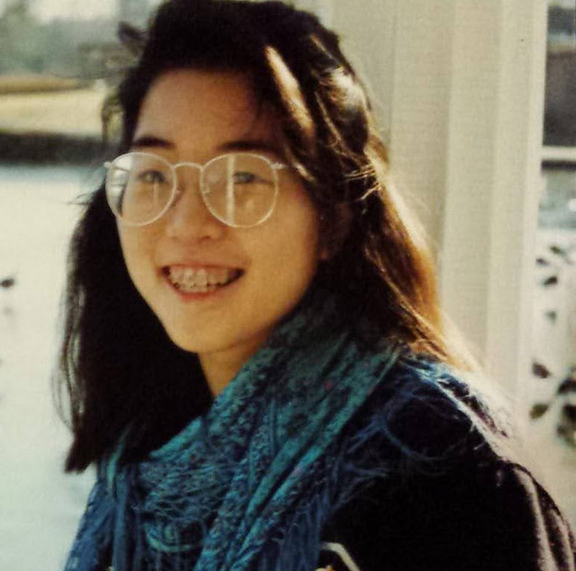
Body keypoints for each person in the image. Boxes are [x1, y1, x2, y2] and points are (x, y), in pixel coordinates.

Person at [55, 1, 576, 570]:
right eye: (154, 175)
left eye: (242, 178)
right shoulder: (145, 450)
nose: (186, 225)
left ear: (332, 217)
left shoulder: (448, 471)